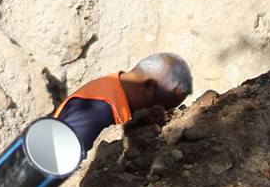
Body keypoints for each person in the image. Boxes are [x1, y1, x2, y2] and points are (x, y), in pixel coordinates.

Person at [53, 52, 193, 153]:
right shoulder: (98, 112)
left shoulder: (114, 91)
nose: (161, 113)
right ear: (149, 86)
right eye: (164, 105)